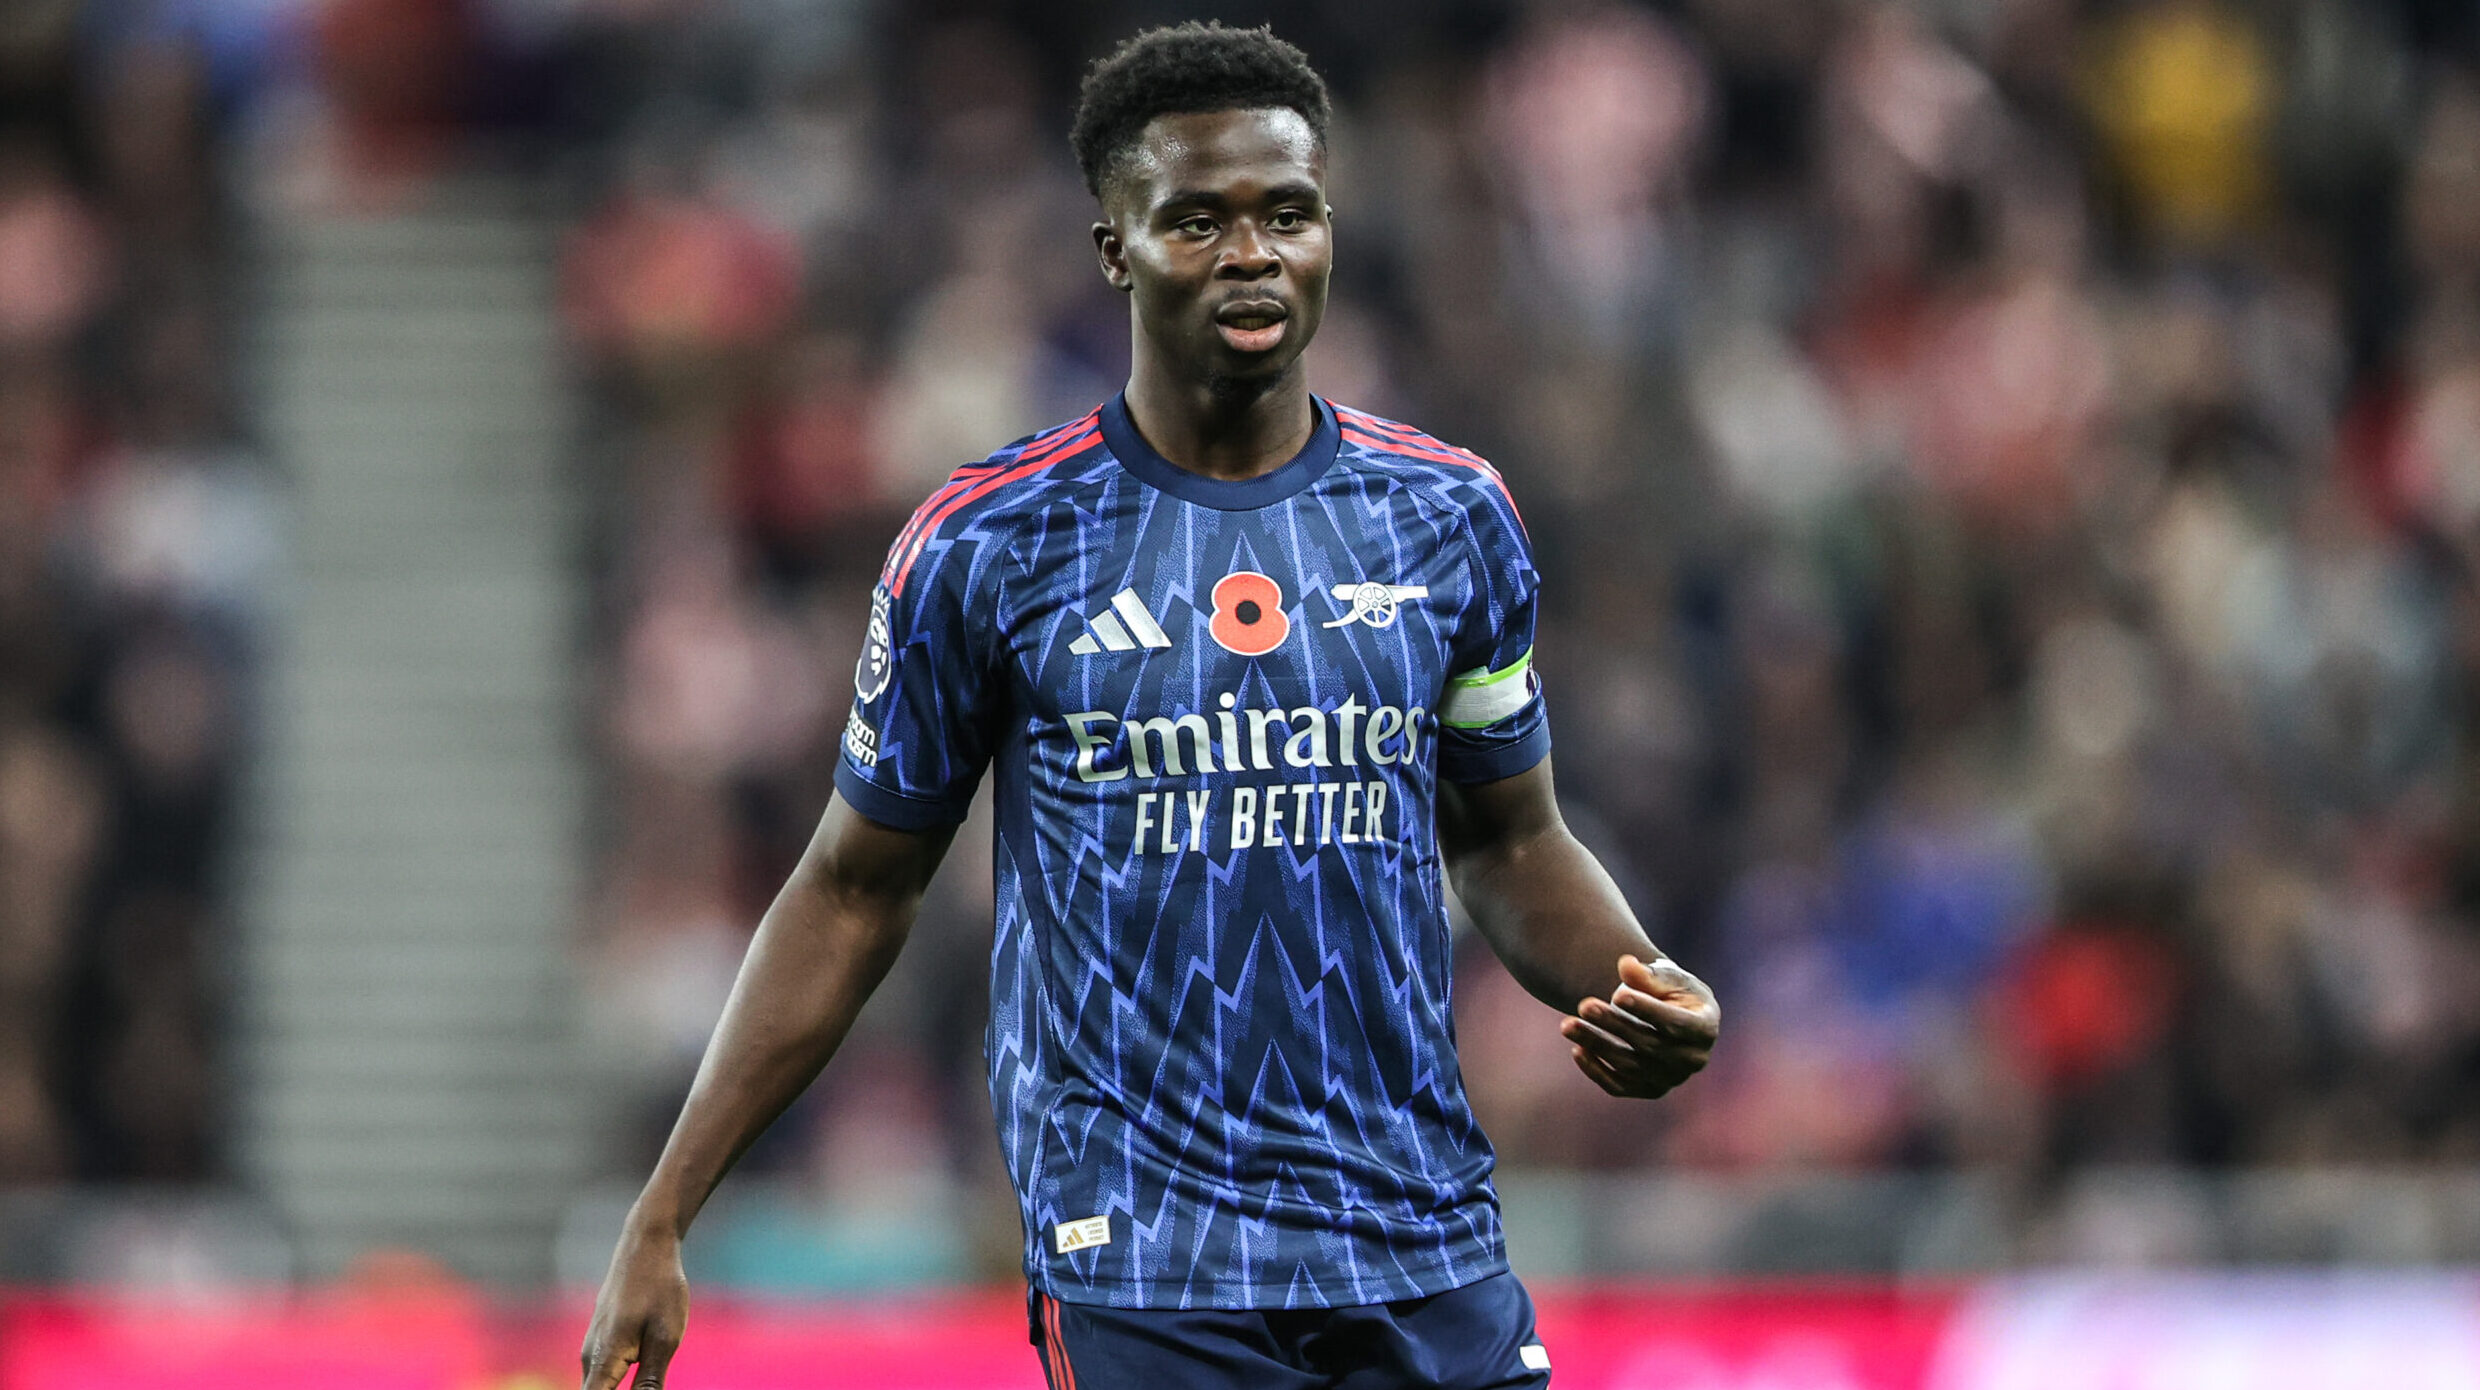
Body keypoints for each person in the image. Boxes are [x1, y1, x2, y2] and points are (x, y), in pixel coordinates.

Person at [581, 22, 1719, 1390]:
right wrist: (664, 1209)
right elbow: (850, 890)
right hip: (1147, 1268)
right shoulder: (991, 544)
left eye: (1288, 213)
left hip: (1423, 1247)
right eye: (1200, 220)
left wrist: (1640, 982)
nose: (1253, 253)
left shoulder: (1448, 519)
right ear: (1116, 247)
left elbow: (1510, 841)